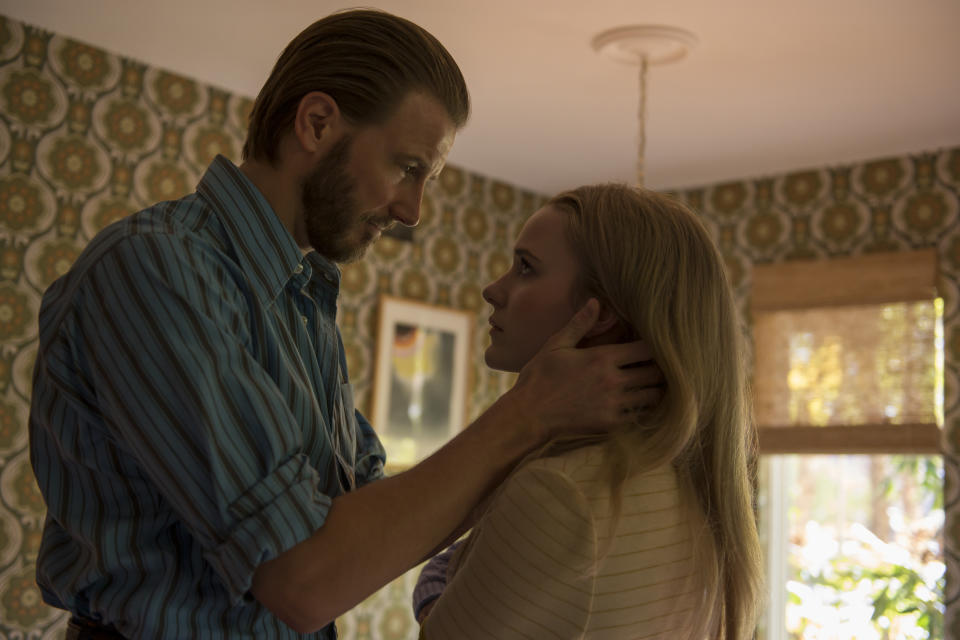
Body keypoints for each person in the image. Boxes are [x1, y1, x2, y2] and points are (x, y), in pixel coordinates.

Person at [28, 10, 662, 640]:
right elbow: (301, 582)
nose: (413, 211)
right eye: (408, 167)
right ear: (316, 124)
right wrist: (527, 414)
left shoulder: (302, 298)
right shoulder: (154, 270)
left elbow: (364, 530)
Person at [415, 185, 764, 639]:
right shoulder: (688, 486)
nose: (492, 288)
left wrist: (433, 594)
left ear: (598, 315)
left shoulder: (562, 492)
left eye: (525, 267)